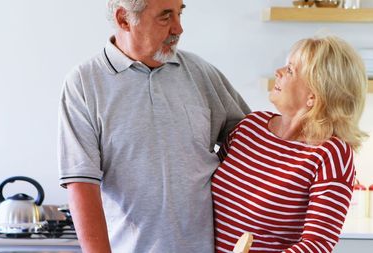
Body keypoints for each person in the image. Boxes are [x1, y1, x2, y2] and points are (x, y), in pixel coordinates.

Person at [57, 0, 250, 252]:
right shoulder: (84, 83)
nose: (178, 29)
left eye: (179, 14)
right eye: (165, 17)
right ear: (124, 19)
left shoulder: (201, 73)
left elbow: (251, 145)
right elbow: (81, 185)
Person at [212, 36, 368, 253]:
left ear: (313, 95)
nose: (278, 71)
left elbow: (317, 245)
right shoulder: (250, 127)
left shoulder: (330, 154)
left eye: (291, 70)